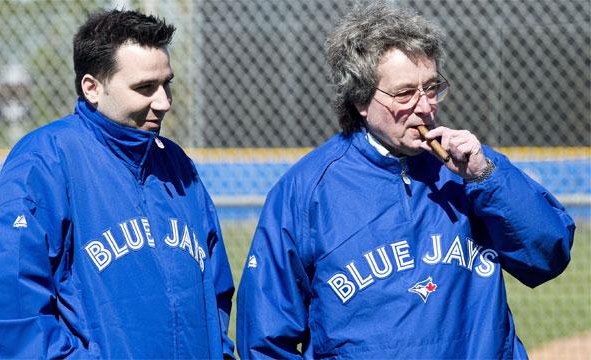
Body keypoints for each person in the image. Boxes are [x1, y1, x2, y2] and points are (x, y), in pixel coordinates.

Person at [236, 0, 575, 358]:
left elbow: (548, 254)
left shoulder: (469, 169)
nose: (426, 107)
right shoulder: (306, 192)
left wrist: (486, 176)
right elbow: (265, 338)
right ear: (361, 100)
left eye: (431, 88)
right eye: (404, 93)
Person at [0, 9, 235, 359]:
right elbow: (3, 308)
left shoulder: (177, 165)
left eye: (167, 84)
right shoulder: (46, 160)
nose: (164, 102)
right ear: (92, 87)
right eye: (145, 87)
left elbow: (216, 294)